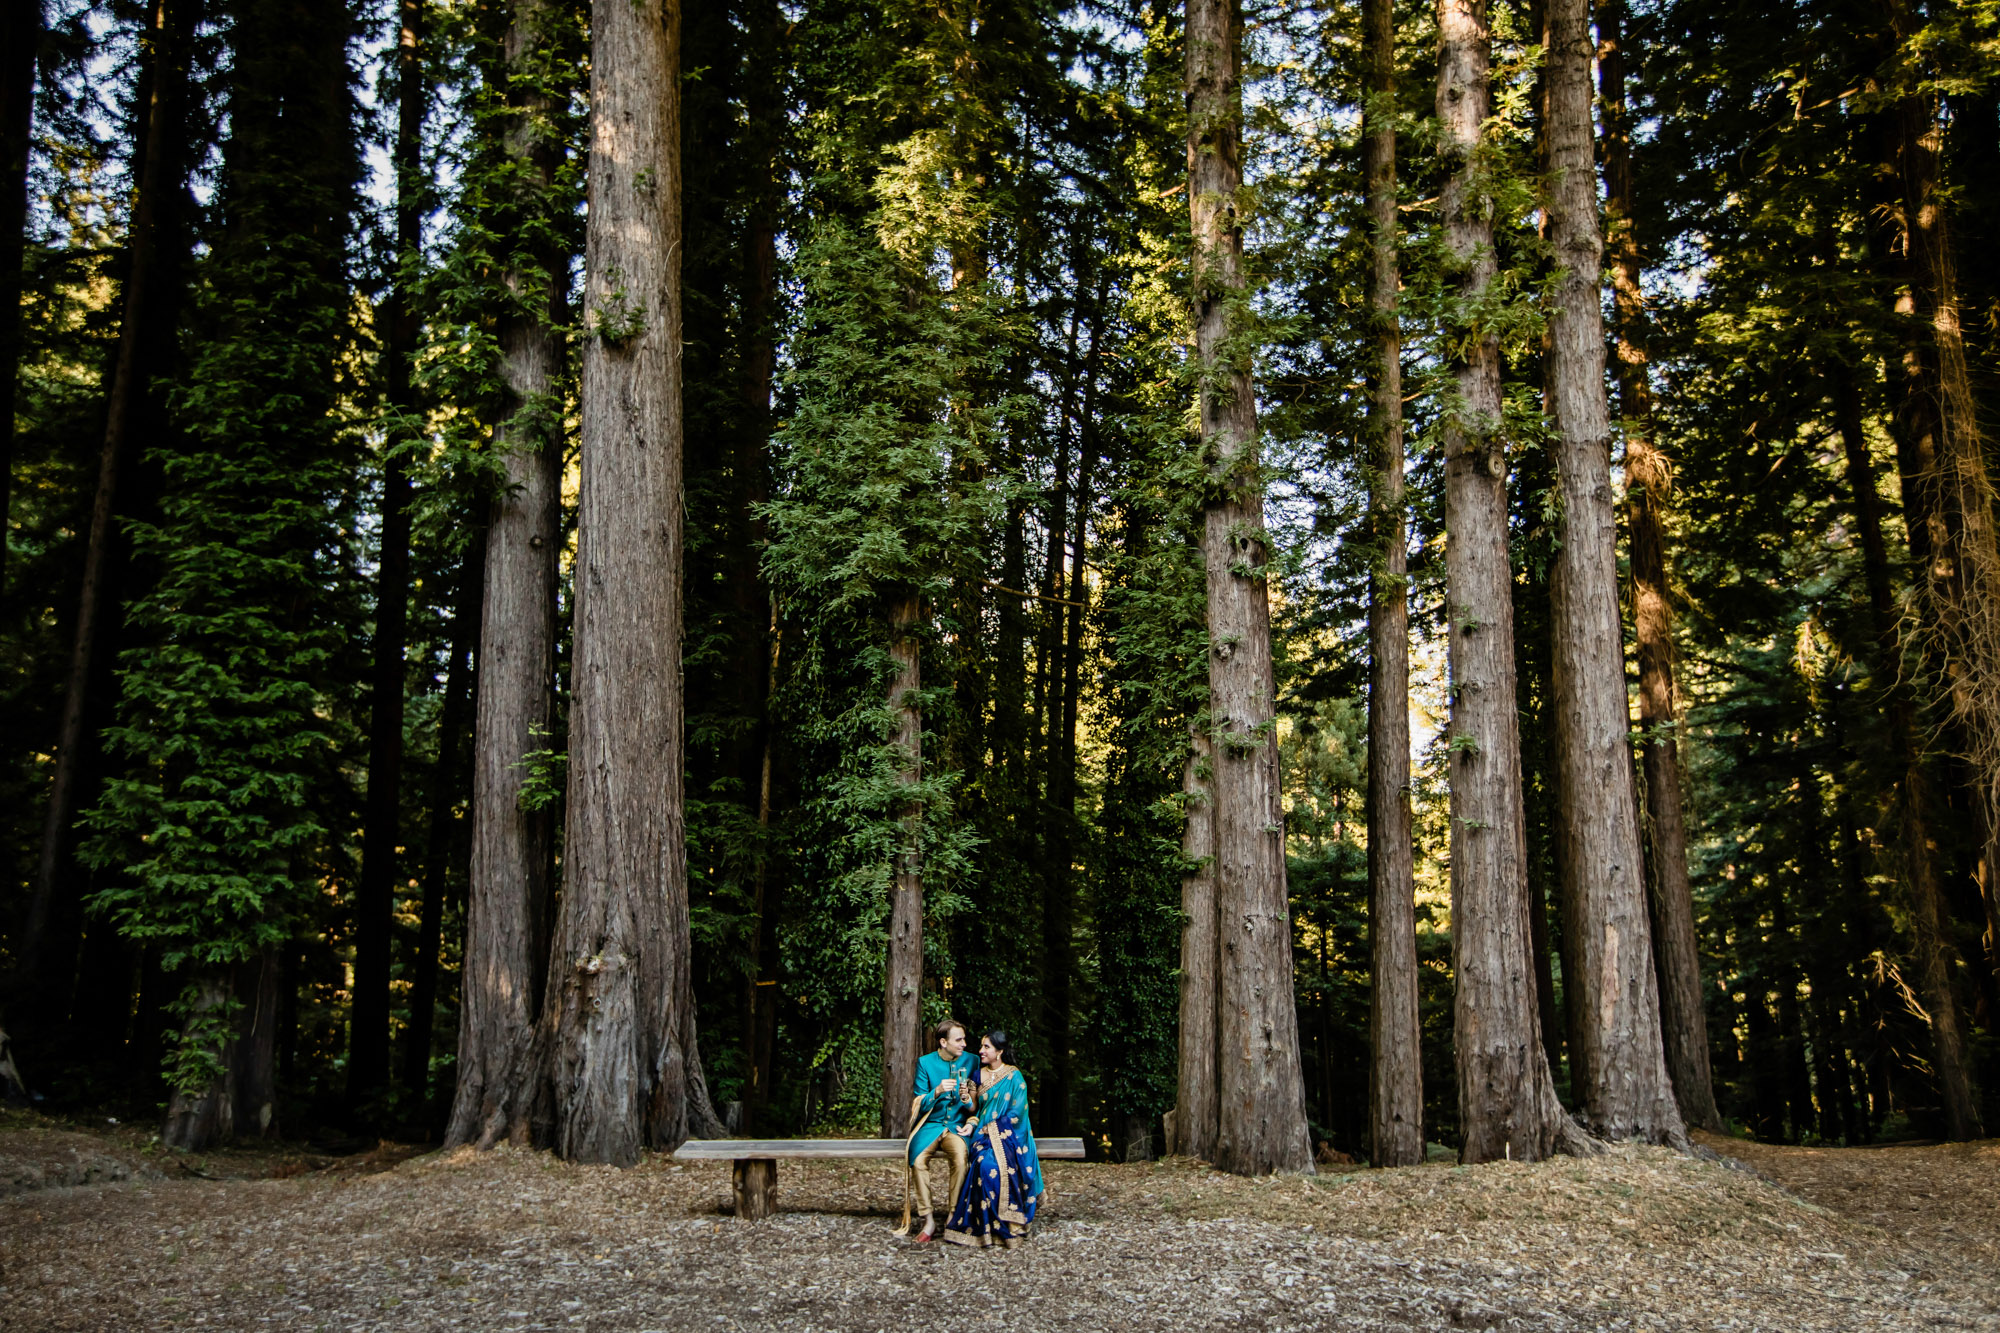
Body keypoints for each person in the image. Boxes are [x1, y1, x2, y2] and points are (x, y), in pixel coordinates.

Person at [942, 1030, 1044, 1249]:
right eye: (981, 1046)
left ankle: (1009, 1221)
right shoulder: (978, 1075)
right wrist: (965, 1097)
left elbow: (1018, 1113)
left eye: (986, 1047)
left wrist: (995, 1127)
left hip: (1009, 1137)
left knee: (994, 1165)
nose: (981, 1051)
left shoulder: (1014, 1077)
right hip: (982, 1135)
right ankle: (987, 1226)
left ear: (1000, 1051)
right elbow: (974, 1108)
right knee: (982, 1163)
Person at [897, 1019, 977, 1241]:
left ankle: (953, 1215)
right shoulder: (925, 1063)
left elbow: (978, 1101)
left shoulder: (973, 1061)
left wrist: (968, 1103)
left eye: (963, 1039)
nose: (964, 1044)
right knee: (918, 1159)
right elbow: (918, 1102)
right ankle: (928, 1220)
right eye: (958, 1040)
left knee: (961, 1159)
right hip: (930, 1126)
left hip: (956, 1126)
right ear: (943, 1042)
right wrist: (937, 1091)